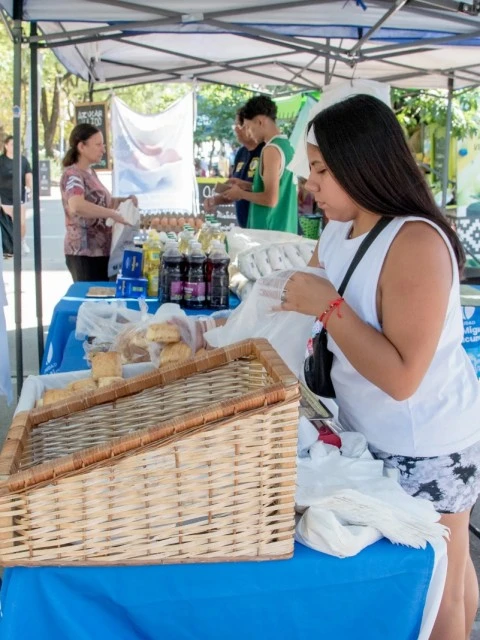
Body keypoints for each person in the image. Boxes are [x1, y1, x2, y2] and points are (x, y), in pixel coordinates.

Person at [278, 94, 480, 640]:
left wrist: (327, 305)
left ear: (362, 163)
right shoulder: (336, 231)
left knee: (437, 588)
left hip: (426, 440)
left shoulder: (415, 241)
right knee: (439, 570)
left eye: (322, 170)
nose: (311, 184)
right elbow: (297, 308)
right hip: (365, 431)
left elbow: (401, 377)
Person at [60, 123, 137, 282]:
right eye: (98, 144)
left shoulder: (90, 173)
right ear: (81, 146)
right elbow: (77, 205)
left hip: (101, 252)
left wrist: (124, 201)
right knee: (91, 294)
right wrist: (112, 214)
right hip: (85, 253)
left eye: (104, 145)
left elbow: (102, 203)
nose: (103, 149)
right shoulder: (73, 174)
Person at [223, 96, 297, 233]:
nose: (249, 133)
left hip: (268, 232)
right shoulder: (287, 146)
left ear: (260, 122)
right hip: (284, 229)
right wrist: (246, 185)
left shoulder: (271, 150)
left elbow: (271, 199)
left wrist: (241, 194)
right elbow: (277, 188)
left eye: (248, 127)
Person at [204, 107, 264, 228]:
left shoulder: (267, 151)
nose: (236, 129)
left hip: (265, 226)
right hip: (245, 227)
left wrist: (243, 190)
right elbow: (235, 192)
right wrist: (215, 200)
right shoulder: (241, 153)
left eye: (240, 124)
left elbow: (270, 193)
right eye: (235, 125)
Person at [0, 136, 33, 255]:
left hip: (20, 195)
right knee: (8, 223)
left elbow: (28, 176)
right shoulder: (1, 160)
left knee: (21, 222)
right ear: (6, 146)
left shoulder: (22, 160)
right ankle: (9, 246)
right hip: (5, 195)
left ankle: (22, 241)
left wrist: (29, 189)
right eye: (12, 144)